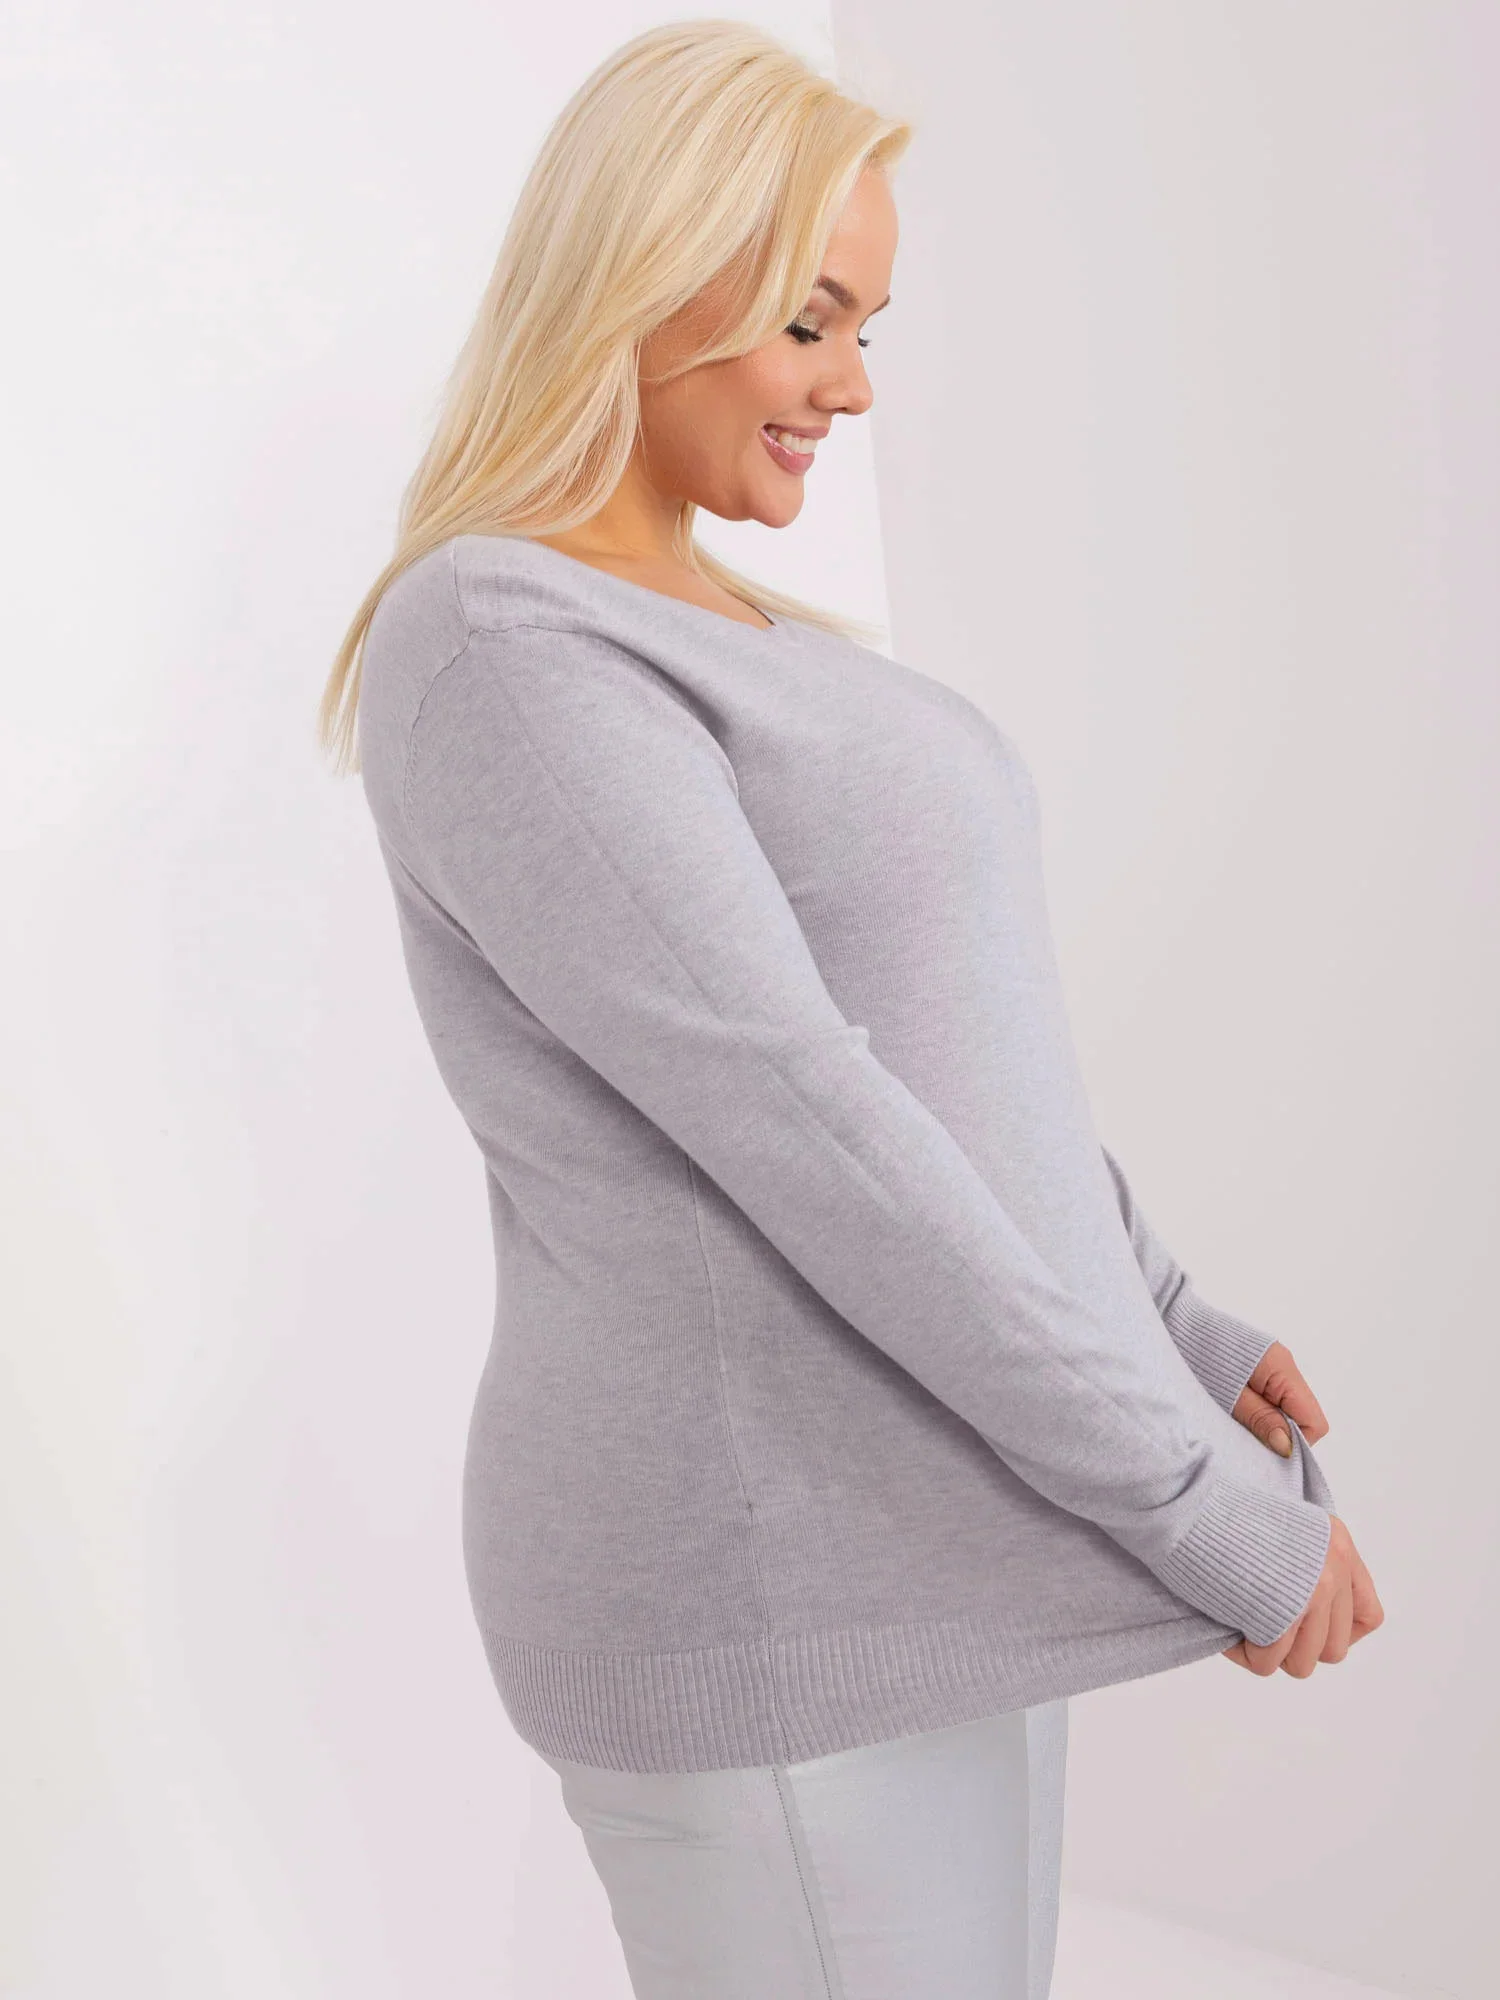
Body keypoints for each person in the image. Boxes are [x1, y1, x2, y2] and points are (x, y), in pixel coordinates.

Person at [317, 21, 1383, 1997]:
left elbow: (953, 1053)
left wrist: (1168, 1323)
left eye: (867, 328)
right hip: (769, 1587)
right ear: (648, 276)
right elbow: (813, 1122)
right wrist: (1195, 1508)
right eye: (811, 321)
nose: (855, 384)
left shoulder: (741, 633)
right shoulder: (508, 640)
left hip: (921, 1539)